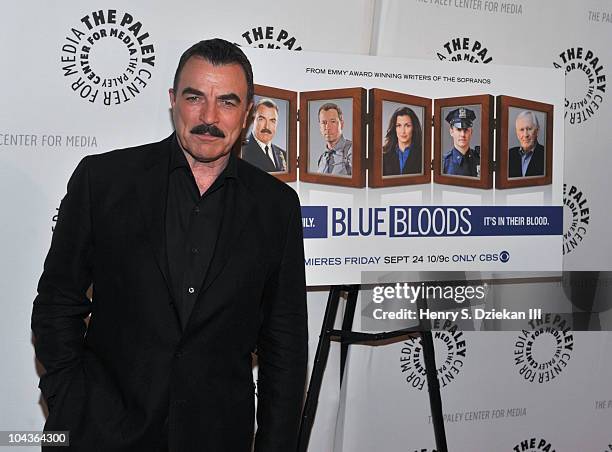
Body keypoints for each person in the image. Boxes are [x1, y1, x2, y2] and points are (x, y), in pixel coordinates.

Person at [31, 39, 307, 452]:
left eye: (227, 102)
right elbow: (56, 303)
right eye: (195, 97)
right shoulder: (103, 180)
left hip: (216, 437)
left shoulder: (276, 207)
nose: (209, 117)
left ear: (247, 113)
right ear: (173, 100)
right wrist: (72, 404)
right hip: (103, 433)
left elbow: (283, 344)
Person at [242, 98, 288, 172]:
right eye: (261, 119)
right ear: (253, 120)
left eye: (272, 121)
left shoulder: (284, 155)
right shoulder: (241, 152)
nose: (267, 126)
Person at [382, 106, 423, 176]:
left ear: (414, 128)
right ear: (394, 128)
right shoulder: (384, 155)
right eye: (398, 125)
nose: (403, 131)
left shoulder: (423, 154)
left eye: (407, 125)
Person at [442, 107, 480, 178]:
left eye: (466, 130)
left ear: (471, 132)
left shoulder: (480, 159)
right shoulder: (443, 163)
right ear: (451, 131)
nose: (462, 134)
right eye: (459, 129)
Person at [315, 102, 352, 175]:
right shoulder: (322, 158)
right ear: (320, 127)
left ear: (341, 124)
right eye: (324, 122)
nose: (327, 127)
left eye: (333, 122)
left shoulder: (352, 152)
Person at [508, 110, 545, 178]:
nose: (525, 135)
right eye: (521, 130)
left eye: (529, 129)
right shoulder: (509, 155)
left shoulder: (546, 155)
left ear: (537, 131)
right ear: (517, 133)